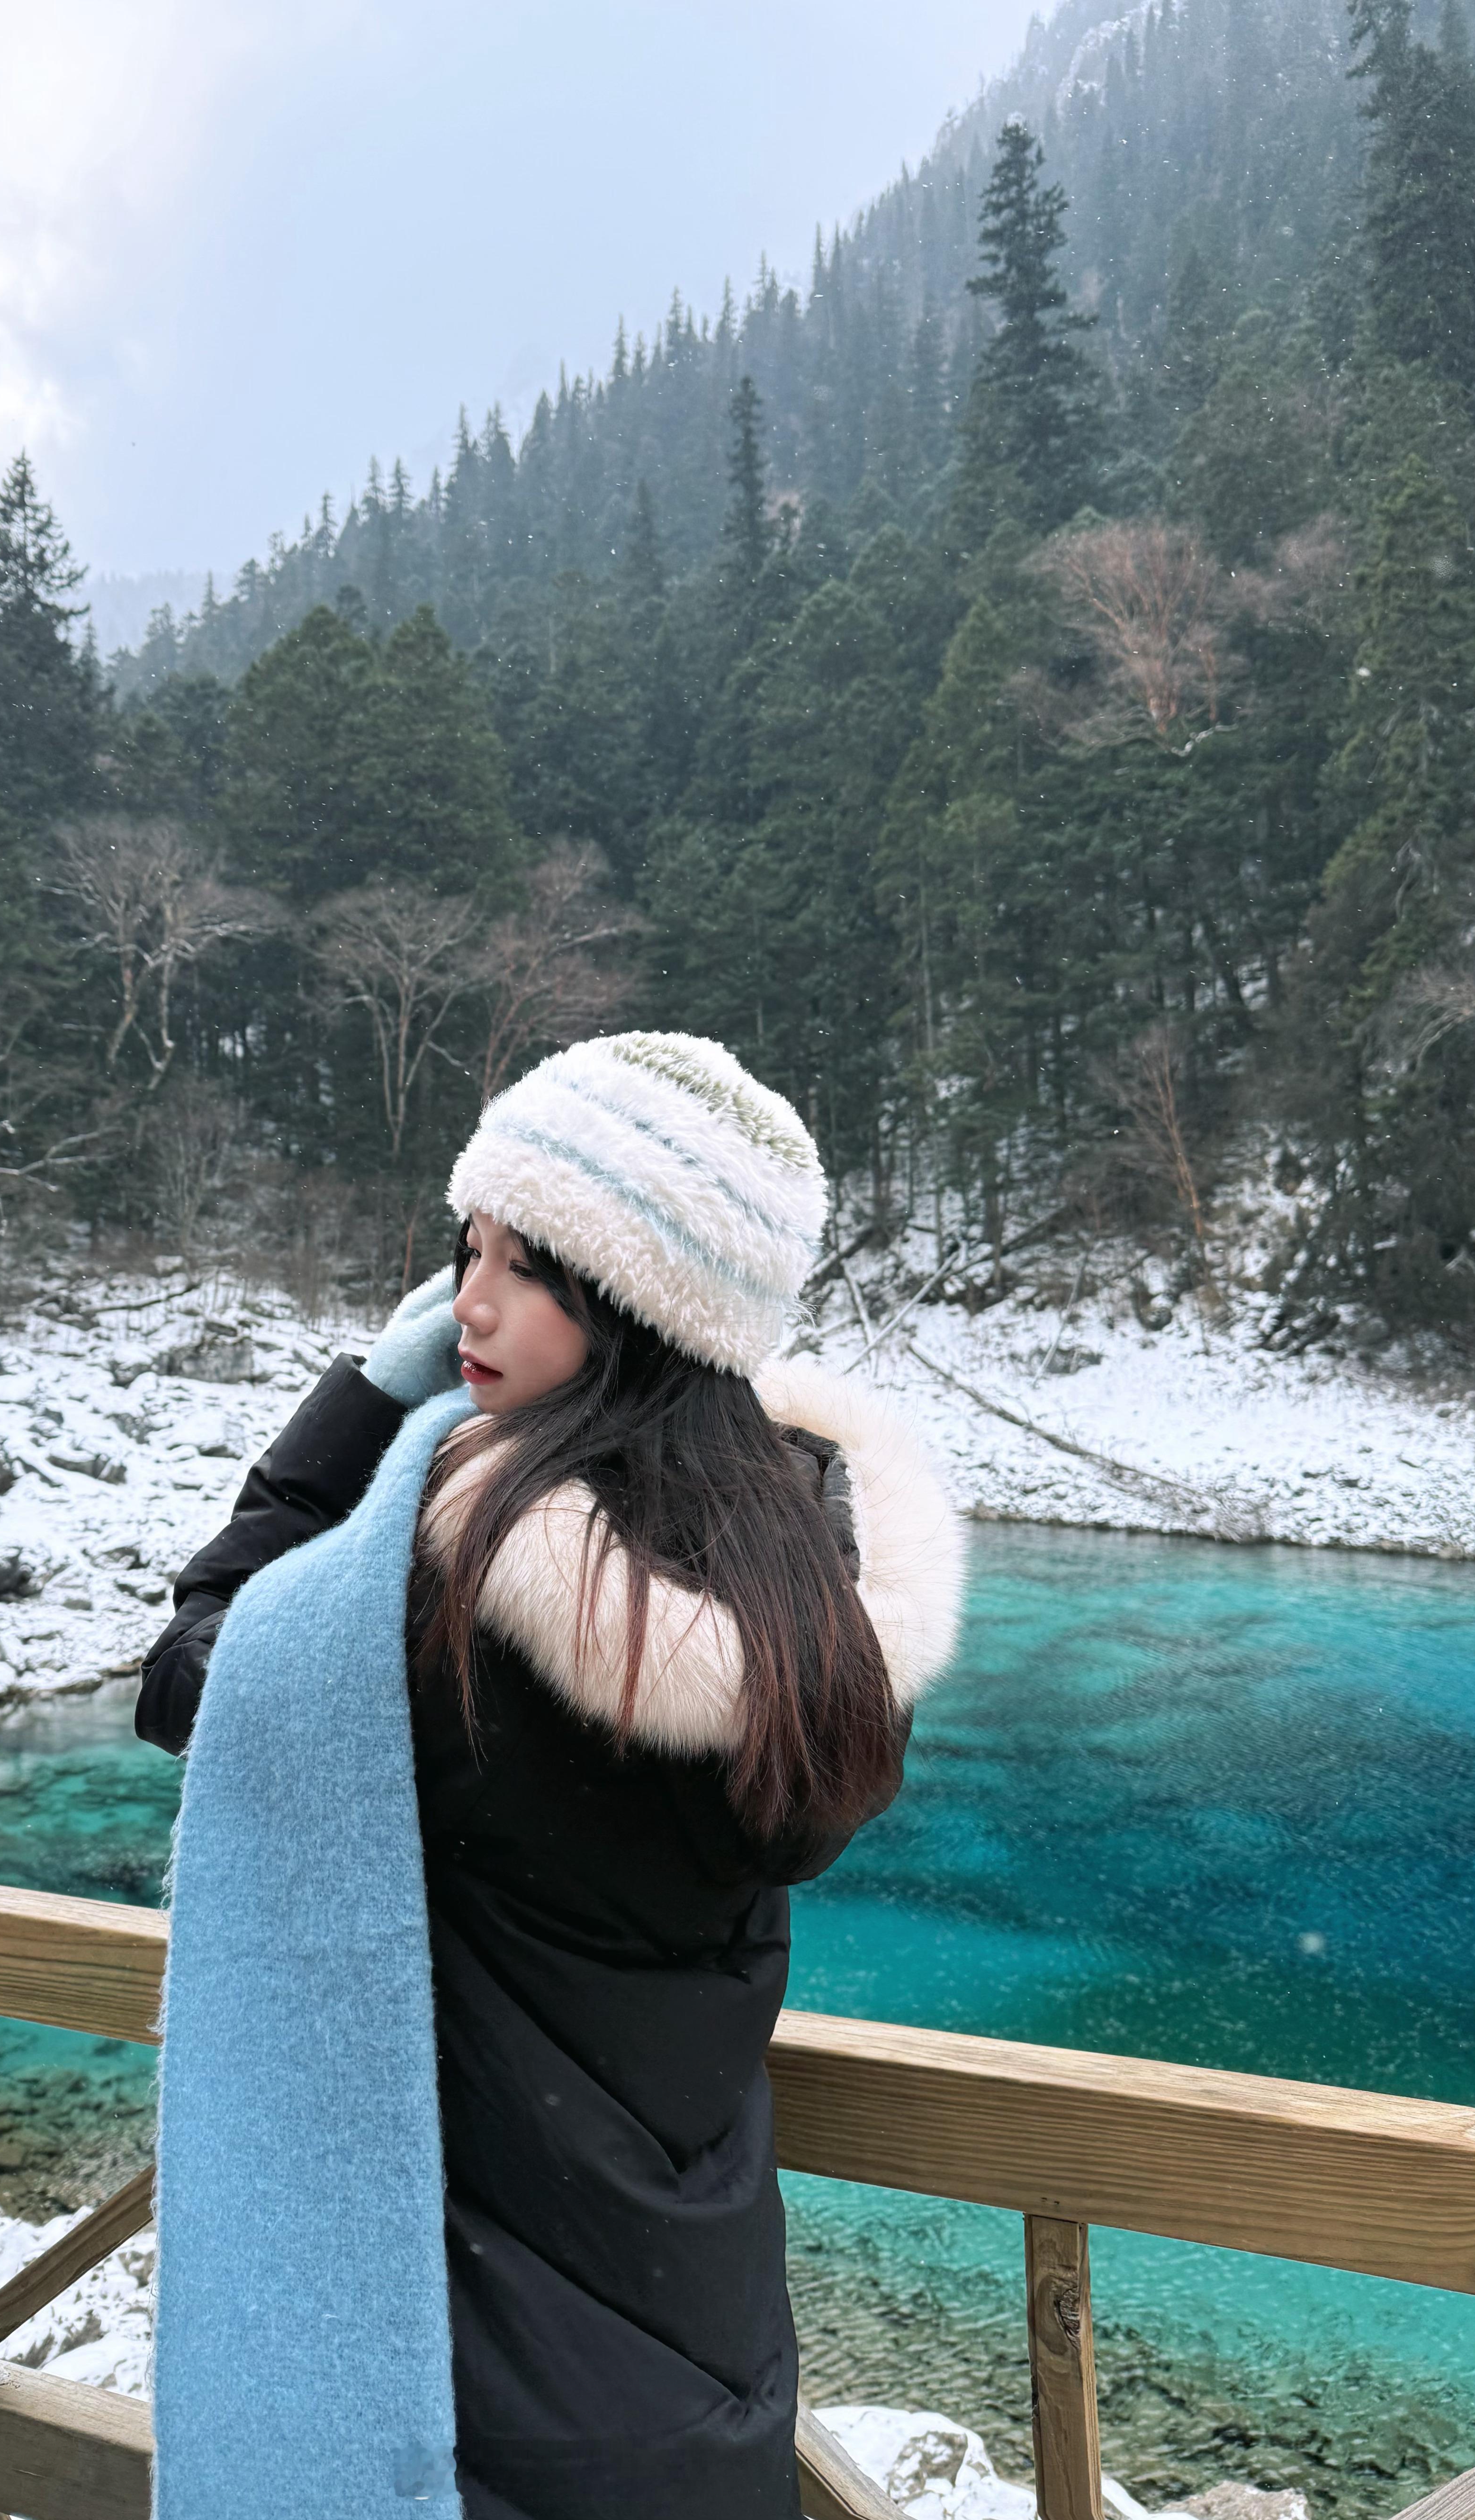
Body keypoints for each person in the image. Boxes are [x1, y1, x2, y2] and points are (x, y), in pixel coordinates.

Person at [141, 1031, 964, 2520]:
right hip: (705, 2374)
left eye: (525, 1268)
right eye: (468, 1251)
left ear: (640, 1305)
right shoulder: (805, 1601)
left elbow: (195, 1663)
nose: (467, 1303)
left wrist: (363, 1403)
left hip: (471, 2397)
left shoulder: (450, 1611)